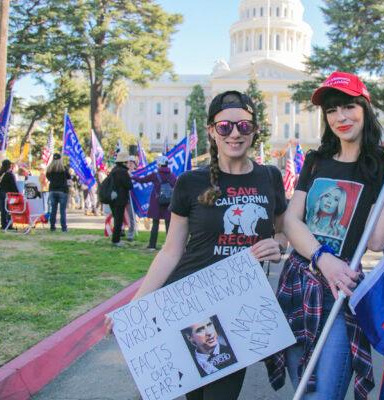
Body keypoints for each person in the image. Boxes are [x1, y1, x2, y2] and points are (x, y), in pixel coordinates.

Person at [106, 90, 286, 400]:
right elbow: (171, 250)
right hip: (190, 303)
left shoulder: (269, 177)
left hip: (239, 305)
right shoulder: (191, 181)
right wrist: (135, 305)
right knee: (196, 396)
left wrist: (277, 245)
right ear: (212, 131)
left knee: (222, 394)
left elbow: (283, 233)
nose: (234, 133)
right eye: (224, 126)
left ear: (254, 129)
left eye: (243, 126)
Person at [267, 72, 384, 400]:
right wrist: (322, 258)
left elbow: (375, 240)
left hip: (338, 290)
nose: (340, 117)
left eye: (348, 107)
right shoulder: (316, 162)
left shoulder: (378, 165)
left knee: (324, 394)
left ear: (364, 109)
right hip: (297, 284)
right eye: (332, 110)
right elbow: (292, 220)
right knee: (303, 389)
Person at [131, 155, 177, 250]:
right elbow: (176, 187)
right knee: (168, 225)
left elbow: (142, 180)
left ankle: (152, 245)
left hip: (157, 202)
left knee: (155, 224)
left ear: (159, 164)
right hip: (169, 202)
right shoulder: (172, 176)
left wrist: (132, 176)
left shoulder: (155, 175)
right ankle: (169, 246)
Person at [107, 151, 133, 247]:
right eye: (127, 161)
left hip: (113, 198)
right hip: (120, 199)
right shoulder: (123, 172)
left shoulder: (114, 170)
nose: (128, 163)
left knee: (117, 219)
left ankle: (115, 239)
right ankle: (116, 240)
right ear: (124, 162)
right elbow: (129, 185)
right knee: (119, 220)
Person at [46, 154, 72, 232]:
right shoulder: (64, 169)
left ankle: (52, 227)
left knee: (53, 210)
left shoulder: (49, 170)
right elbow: (69, 177)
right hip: (62, 191)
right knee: (62, 211)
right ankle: (64, 228)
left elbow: (48, 178)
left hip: (52, 190)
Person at [0, 159, 18, 230]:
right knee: (9, 210)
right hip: (8, 194)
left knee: (3, 210)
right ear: (9, 165)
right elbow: (14, 186)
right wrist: (18, 194)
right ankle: (8, 225)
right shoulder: (10, 174)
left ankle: (3, 224)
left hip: (0, 193)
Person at [125, 155, 139, 241]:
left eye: (132, 162)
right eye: (128, 162)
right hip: (125, 197)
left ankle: (131, 234)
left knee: (132, 216)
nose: (130, 164)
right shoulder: (124, 173)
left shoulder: (137, 173)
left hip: (134, 198)